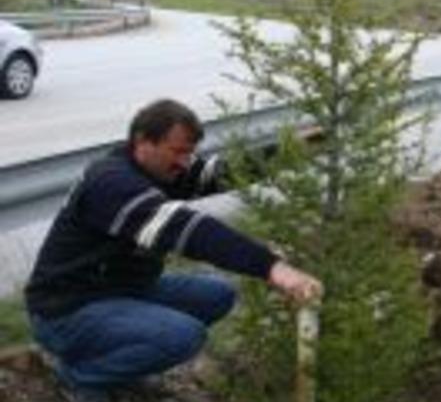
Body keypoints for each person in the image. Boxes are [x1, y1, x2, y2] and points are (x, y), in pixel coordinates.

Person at [25, 99, 322, 402]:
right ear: (143, 142)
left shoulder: (161, 168)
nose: (185, 161)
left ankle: (122, 369)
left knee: (217, 294)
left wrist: (287, 150)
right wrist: (272, 267)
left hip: (118, 289)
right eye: (178, 151)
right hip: (66, 309)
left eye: (189, 152)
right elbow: (187, 230)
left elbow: (218, 173)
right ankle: (79, 377)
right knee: (183, 336)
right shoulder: (112, 183)